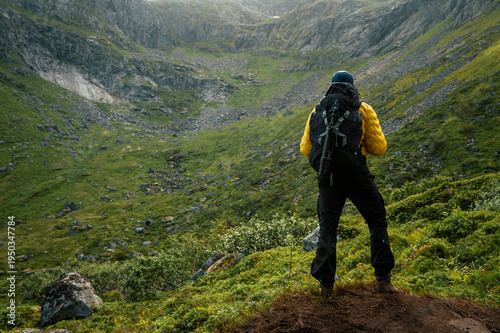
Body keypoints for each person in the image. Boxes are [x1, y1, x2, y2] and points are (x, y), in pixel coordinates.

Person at [300, 70, 399, 297]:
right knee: (376, 222)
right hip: (357, 175)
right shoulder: (362, 109)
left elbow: (306, 149)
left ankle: (326, 286)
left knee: (327, 228)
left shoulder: (317, 110)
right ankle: (383, 281)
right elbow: (379, 148)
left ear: (331, 86)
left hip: (327, 177)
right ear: (352, 86)